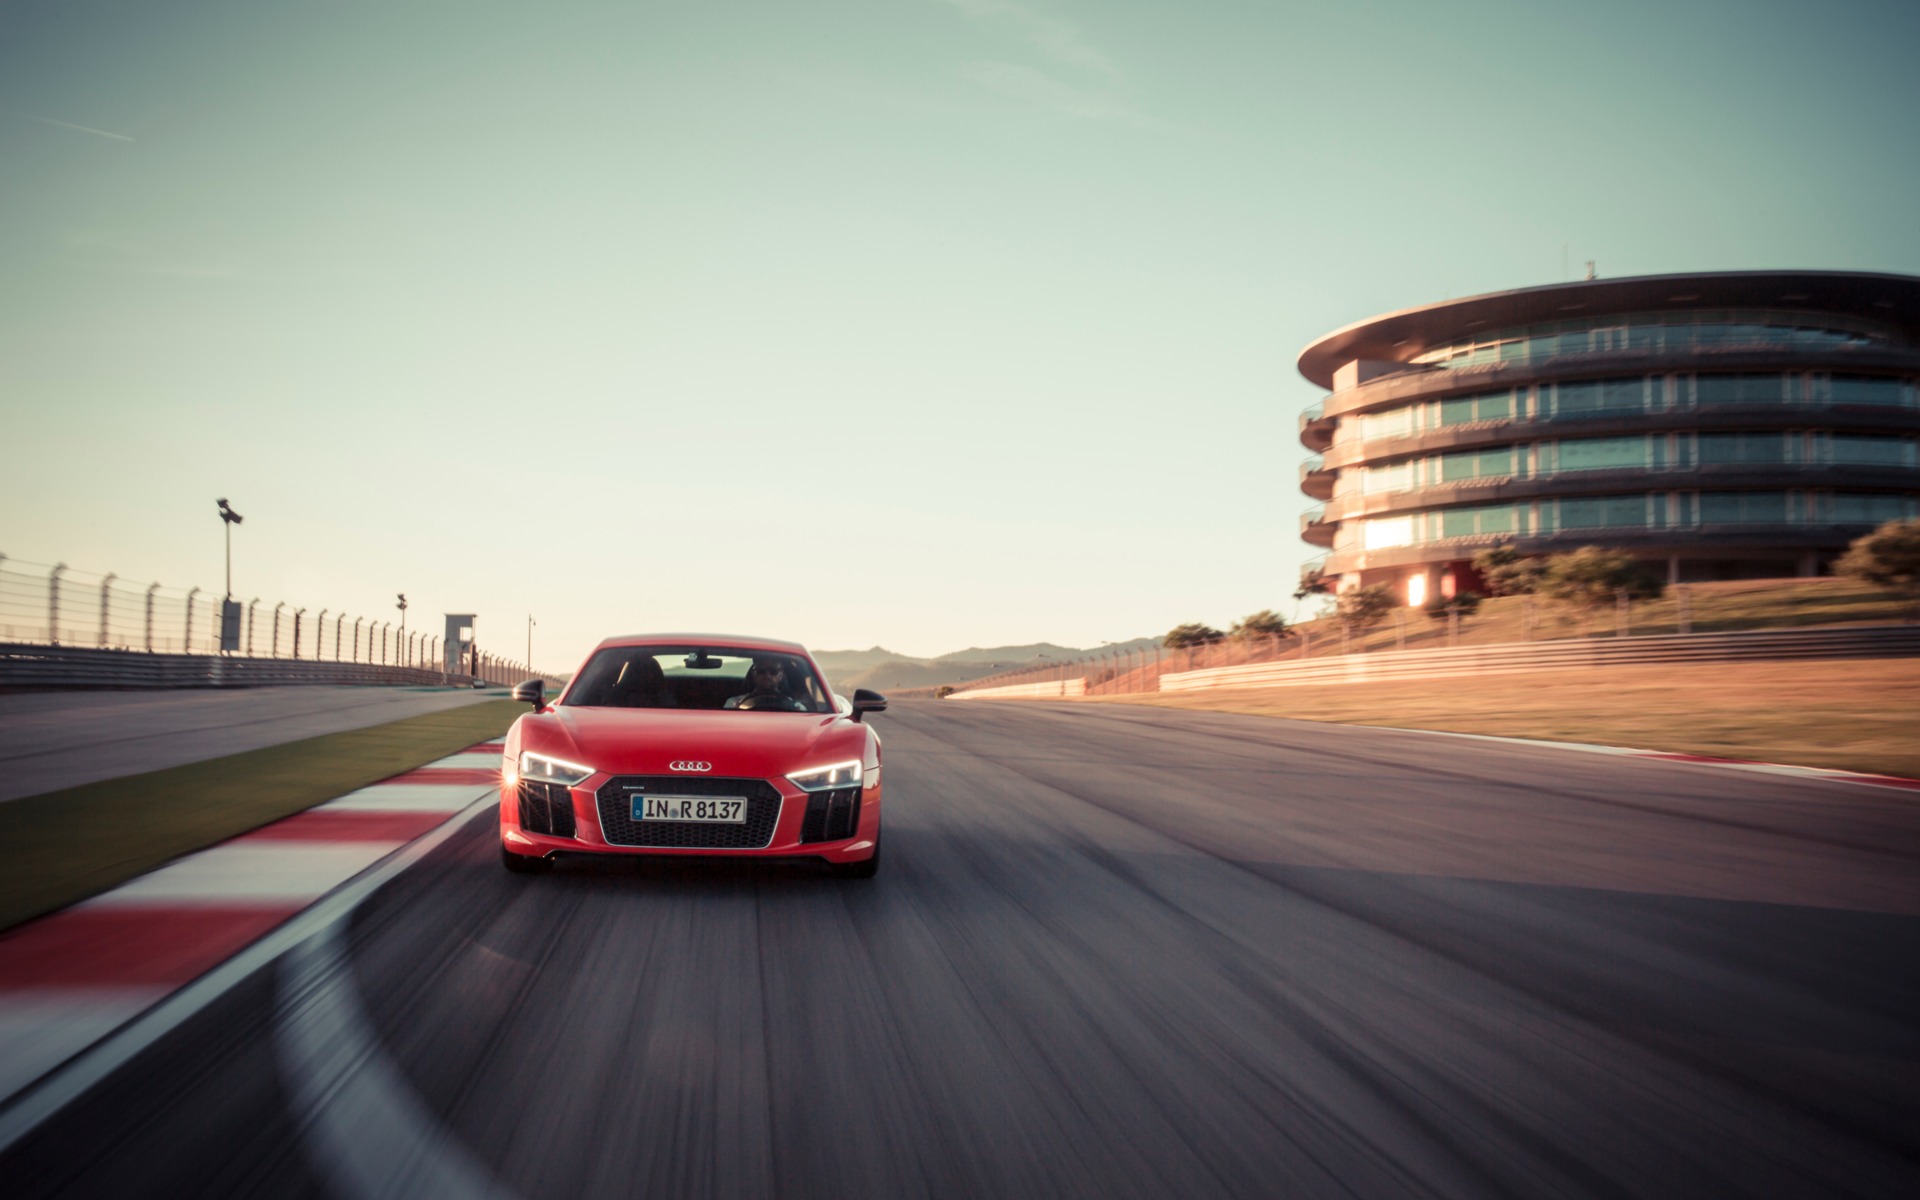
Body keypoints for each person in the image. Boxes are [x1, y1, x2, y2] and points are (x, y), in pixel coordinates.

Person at [723, 657, 804, 710]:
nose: (767, 675)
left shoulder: (796, 707)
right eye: (761, 671)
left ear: (781, 676)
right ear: (754, 674)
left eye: (773, 671)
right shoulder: (733, 703)